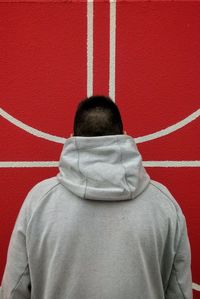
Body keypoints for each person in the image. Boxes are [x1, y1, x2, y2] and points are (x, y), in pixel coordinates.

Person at [1, 95, 192, 299]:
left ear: (73, 137)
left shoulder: (38, 201)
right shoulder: (163, 204)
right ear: (124, 135)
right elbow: (179, 291)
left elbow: (14, 290)